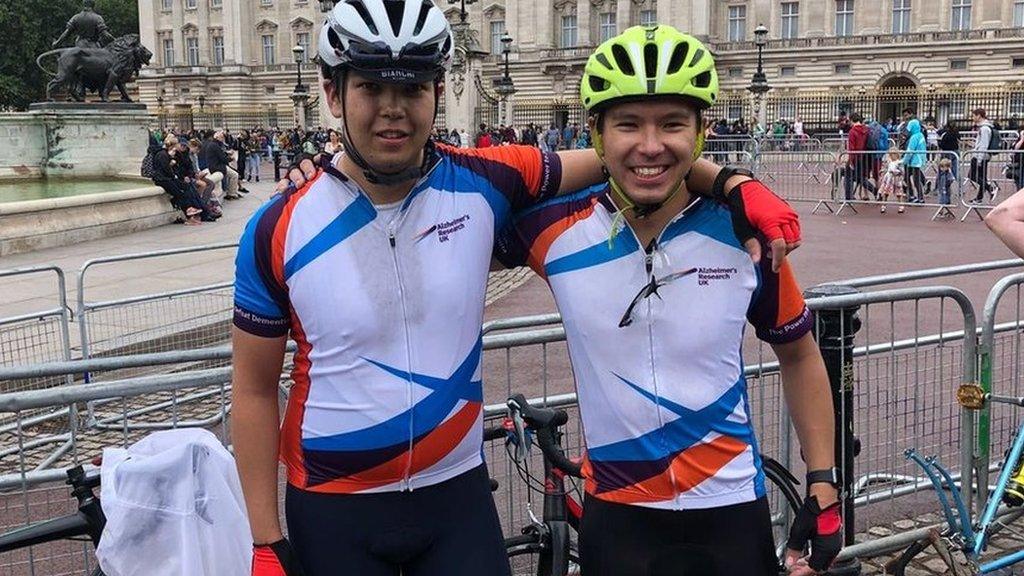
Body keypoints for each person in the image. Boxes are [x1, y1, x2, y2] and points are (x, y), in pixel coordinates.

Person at [240, 4, 802, 575]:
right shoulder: (278, 225)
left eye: (411, 89)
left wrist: (733, 182)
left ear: (439, 91)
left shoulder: (488, 180)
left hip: (453, 501)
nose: (393, 108)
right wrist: (265, 538)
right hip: (332, 509)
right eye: (371, 87)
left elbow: (630, 157)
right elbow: (255, 390)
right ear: (333, 96)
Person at [494, 25, 840, 576]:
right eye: (627, 124)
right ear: (596, 132)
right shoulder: (550, 228)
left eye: (673, 124)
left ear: (701, 132)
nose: (650, 145)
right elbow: (439, 209)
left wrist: (821, 478)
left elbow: (798, 354)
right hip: (617, 516)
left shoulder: (743, 230)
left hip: (730, 512)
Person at [151, 134, 205, 225]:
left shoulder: (166, 154)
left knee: (185, 186)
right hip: (162, 179)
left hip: (167, 178)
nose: (176, 150)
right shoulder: (162, 154)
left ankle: (190, 211)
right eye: (175, 148)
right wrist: (171, 163)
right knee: (179, 192)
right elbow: (166, 170)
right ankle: (188, 214)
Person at [844, 113, 876, 201]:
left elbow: (851, 148)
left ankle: (849, 196)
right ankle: (875, 191)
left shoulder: (852, 131)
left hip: (855, 157)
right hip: (864, 156)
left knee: (848, 177)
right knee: (860, 177)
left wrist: (850, 161)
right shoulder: (866, 129)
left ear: (851, 120)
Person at [202, 130, 242, 200]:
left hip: (216, 165)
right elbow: (223, 158)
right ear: (217, 137)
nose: (223, 139)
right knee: (235, 174)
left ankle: (233, 192)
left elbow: (220, 154)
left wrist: (227, 154)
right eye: (222, 137)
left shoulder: (213, 144)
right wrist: (231, 158)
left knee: (234, 173)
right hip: (218, 167)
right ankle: (231, 193)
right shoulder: (215, 145)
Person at [970, 108, 998, 204]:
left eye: (974, 115)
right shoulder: (985, 127)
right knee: (982, 177)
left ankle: (990, 188)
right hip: (983, 155)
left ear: (979, 116)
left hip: (980, 156)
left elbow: (984, 144)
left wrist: (979, 159)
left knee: (972, 175)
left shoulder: (984, 129)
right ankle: (979, 197)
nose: (973, 118)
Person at [902, 118, 927, 204]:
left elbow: (910, 151)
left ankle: (918, 196)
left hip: (915, 161)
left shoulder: (914, 137)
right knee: (911, 178)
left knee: (913, 179)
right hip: (918, 160)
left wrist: (903, 161)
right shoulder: (920, 135)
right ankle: (915, 195)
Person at [878, 147, 905, 214]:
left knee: (899, 193)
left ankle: (901, 206)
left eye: (893, 154)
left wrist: (897, 172)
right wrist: (883, 171)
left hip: (896, 179)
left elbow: (902, 171)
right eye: (891, 154)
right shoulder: (889, 162)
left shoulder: (899, 162)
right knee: (885, 193)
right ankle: (883, 206)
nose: (892, 156)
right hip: (888, 179)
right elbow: (886, 168)